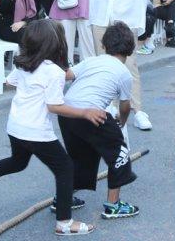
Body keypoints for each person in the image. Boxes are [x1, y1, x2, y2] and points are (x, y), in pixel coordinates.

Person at [0, 20, 100, 235]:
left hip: (16, 126)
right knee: (65, 168)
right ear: (56, 43)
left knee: (17, 162)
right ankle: (64, 222)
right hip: (36, 130)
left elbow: (10, 81)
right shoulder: (54, 72)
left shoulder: (24, 64)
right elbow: (54, 106)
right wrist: (85, 112)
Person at [66, 0, 155, 131]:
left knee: (129, 65)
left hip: (126, 22)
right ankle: (111, 106)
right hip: (101, 21)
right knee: (104, 66)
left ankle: (138, 111)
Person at [59, 21, 140, 220]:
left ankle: (63, 199)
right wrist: (122, 122)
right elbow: (125, 106)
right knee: (119, 154)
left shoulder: (92, 61)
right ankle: (113, 205)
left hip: (67, 112)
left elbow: (67, 75)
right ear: (130, 48)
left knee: (79, 157)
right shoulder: (124, 74)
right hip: (91, 114)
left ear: (104, 45)